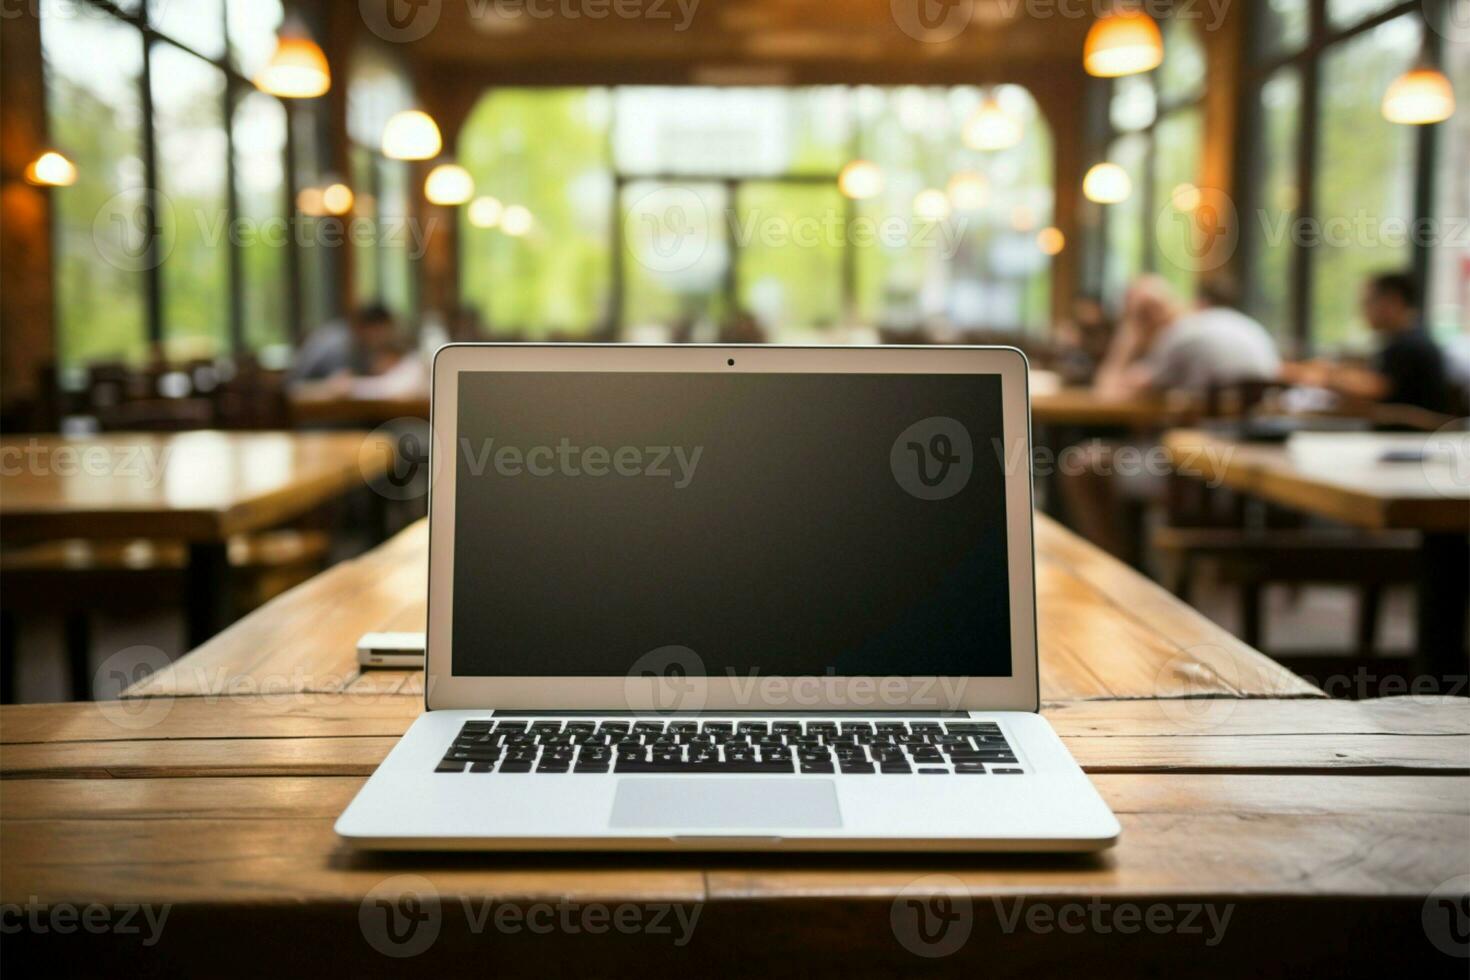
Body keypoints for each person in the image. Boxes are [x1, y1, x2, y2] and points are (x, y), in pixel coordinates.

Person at [1282, 272, 1453, 416]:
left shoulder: (1412, 346)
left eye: (1368, 302)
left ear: (1393, 301)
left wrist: (1322, 376)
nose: (1363, 309)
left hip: (1404, 438)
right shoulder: (1403, 341)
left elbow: (1375, 387)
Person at [1094, 275, 1281, 400]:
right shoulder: (1222, 319)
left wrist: (1125, 340)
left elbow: (1107, 393)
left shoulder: (1177, 335)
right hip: (1261, 432)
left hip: (1214, 441)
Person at [289, 303, 402, 386]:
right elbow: (339, 383)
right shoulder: (337, 343)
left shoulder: (356, 341)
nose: (383, 338)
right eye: (381, 332)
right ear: (368, 327)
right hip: (306, 408)